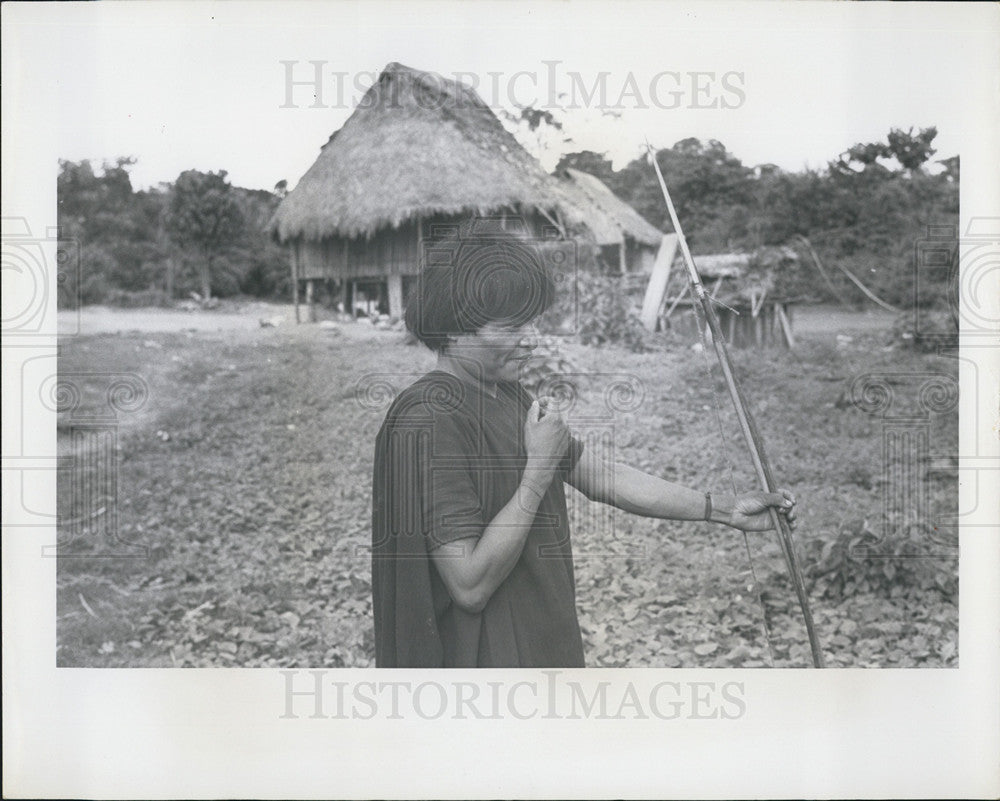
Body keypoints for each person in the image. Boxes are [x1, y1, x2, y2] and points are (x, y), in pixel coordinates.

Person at [371, 231, 796, 668]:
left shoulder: (507, 393)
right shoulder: (431, 416)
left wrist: (723, 509)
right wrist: (537, 472)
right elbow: (470, 584)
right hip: (483, 669)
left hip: (538, 638)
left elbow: (605, 477)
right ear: (455, 330)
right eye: (513, 326)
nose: (533, 339)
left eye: (533, 321)